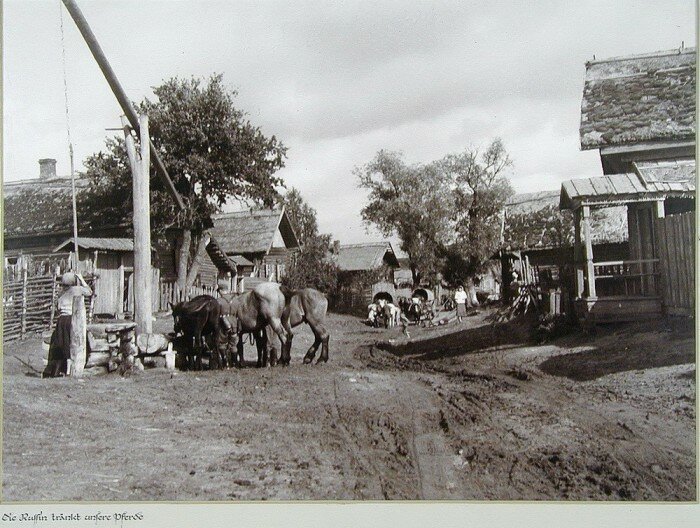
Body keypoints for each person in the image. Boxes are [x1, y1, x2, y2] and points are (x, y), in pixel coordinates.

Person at [42, 272, 92, 378]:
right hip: (71, 318)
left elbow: (58, 308)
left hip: (61, 320)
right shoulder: (76, 290)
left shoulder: (62, 294)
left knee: (62, 344)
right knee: (72, 343)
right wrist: (82, 279)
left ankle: (61, 370)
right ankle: (70, 370)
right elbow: (89, 291)